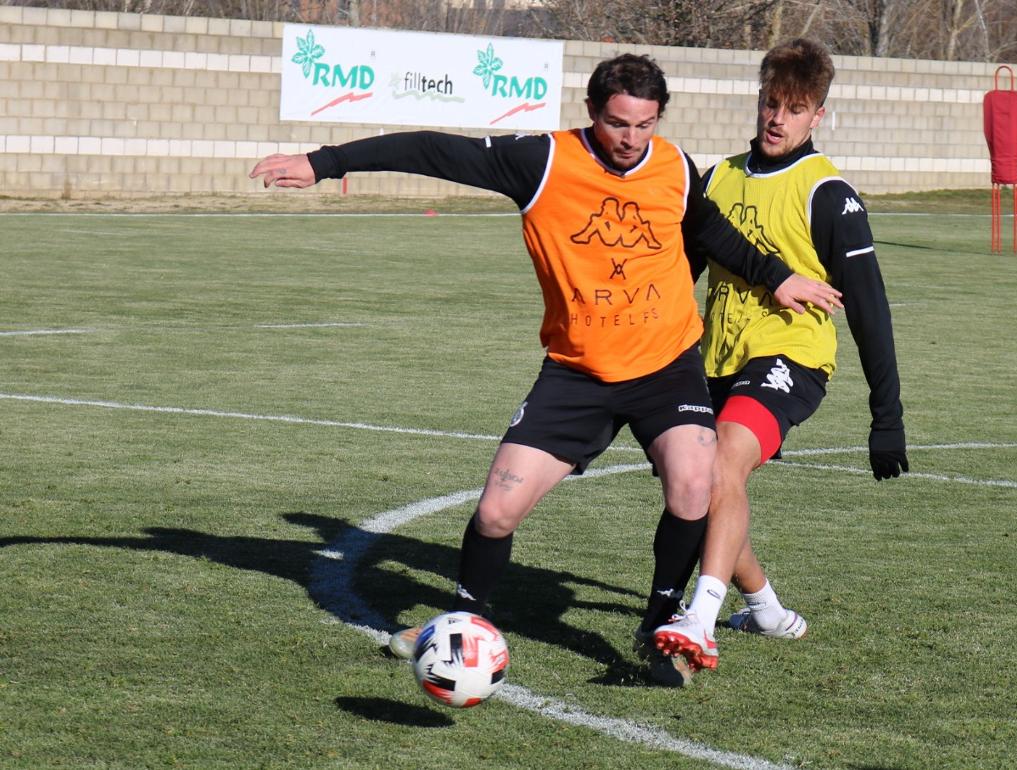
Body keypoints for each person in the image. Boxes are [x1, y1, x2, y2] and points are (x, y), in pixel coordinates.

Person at [249, 53, 842, 686]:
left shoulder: (674, 167)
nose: (631, 140)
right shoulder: (544, 161)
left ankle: (660, 625)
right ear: (592, 113)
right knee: (497, 512)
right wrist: (324, 162)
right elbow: (433, 150)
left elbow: (713, 232)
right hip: (577, 374)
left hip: (666, 367)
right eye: (618, 124)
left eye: (645, 124)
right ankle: (468, 622)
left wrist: (779, 278)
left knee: (694, 483)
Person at [652, 39, 909, 673]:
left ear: (817, 115)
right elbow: (679, 276)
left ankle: (700, 621)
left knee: (721, 468)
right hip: (714, 360)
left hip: (791, 358)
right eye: (771, 103)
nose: (777, 118)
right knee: (697, 485)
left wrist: (888, 415)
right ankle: (764, 608)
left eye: (794, 109)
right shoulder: (717, 178)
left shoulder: (829, 193)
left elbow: (870, 308)